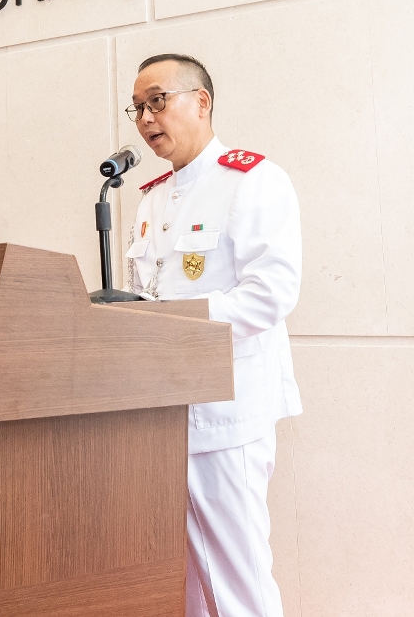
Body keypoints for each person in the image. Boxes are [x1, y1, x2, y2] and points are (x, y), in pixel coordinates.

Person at [124, 54, 302, 617]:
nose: (146, 118)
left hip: (227, 414)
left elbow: (271, 293)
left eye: (157, 101)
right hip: (163, 413)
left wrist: (175, 325)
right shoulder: (151, 198)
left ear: (200, 101)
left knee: (238, 581)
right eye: (137, 108)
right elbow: (143, 294)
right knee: (183, 585)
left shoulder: (253, 180)